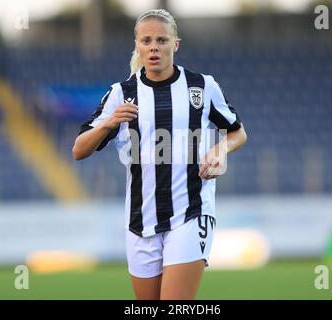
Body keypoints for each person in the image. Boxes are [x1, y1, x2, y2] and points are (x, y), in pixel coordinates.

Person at [72, 9, 247, 300]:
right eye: (147, 40)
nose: (154, 47)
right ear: (137, 45)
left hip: (191, 213)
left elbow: (238, 132)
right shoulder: (120, 93)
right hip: (141, 222)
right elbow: (79, 149)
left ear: (175, 44)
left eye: (162, 40)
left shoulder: (202, 87)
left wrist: (220, 151)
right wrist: (110, 122)